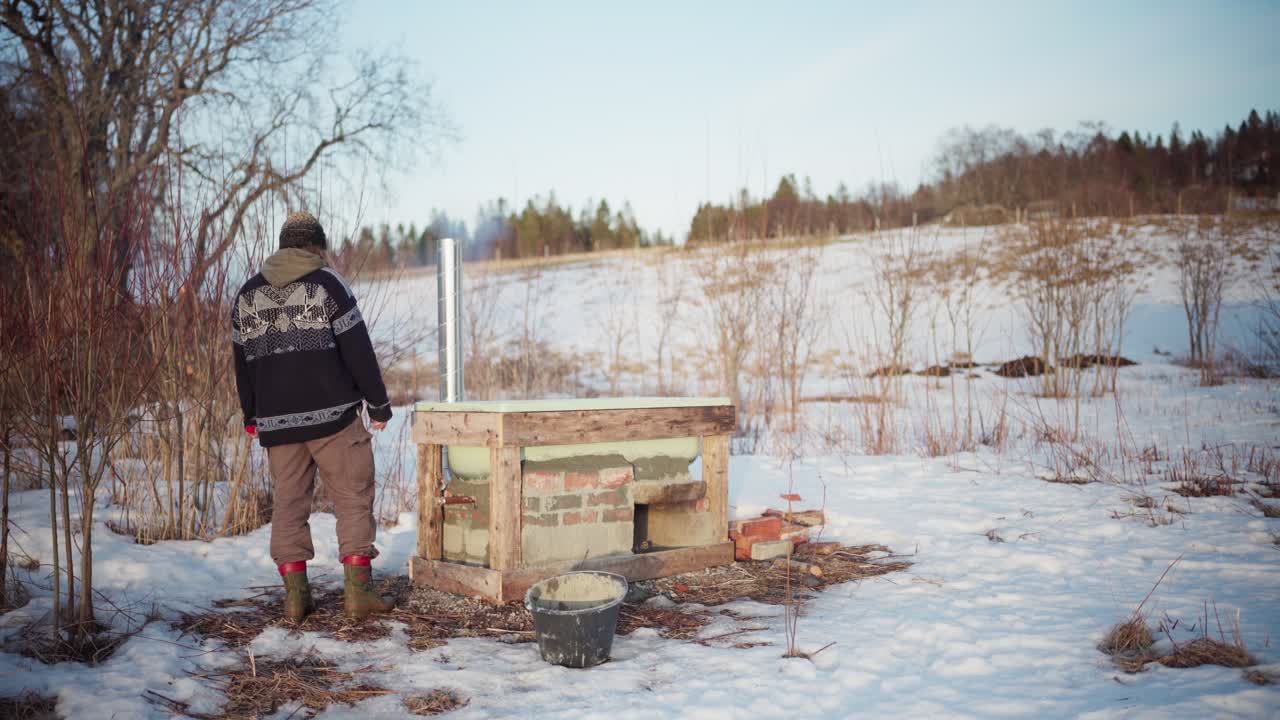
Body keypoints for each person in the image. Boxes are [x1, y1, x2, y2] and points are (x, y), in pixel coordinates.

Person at [231, 211, 395, 621]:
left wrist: (252, 416)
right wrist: (377, 403)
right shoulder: (328, 285)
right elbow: (358, 350)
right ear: (317, 246)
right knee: (352, 496)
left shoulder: (247, 297)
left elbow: (243, 364)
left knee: (288, 503)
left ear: (283, 245)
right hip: (335, 418)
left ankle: (295, 599)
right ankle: (358, 597)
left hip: (277, 424)